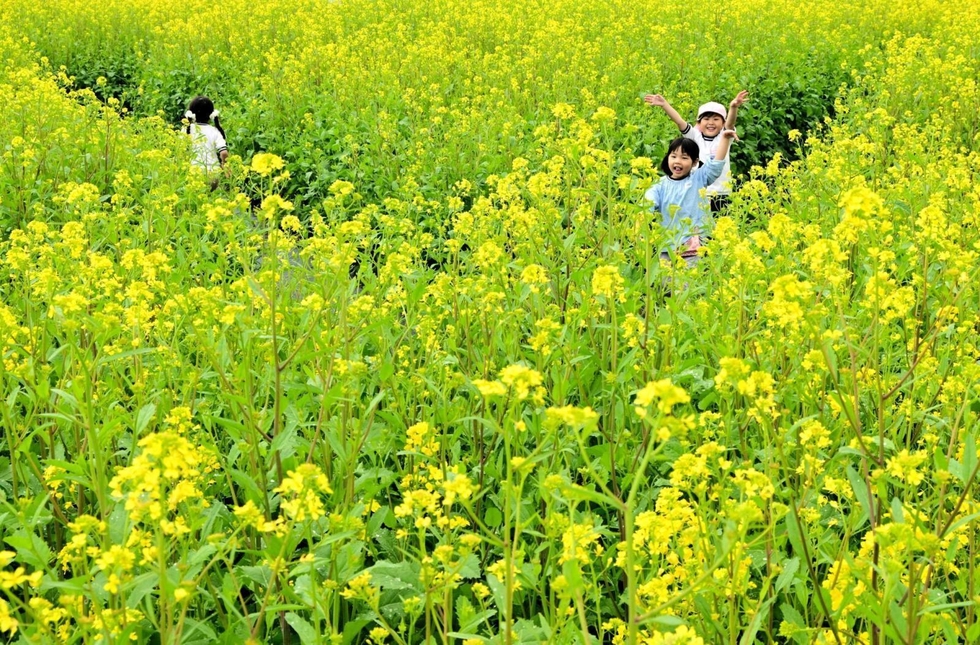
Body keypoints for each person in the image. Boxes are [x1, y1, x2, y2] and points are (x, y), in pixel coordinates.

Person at [642, 91, 748, 212]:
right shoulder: (694, 136)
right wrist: (664, 104)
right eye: (706, 119)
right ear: (699, 122)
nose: (711, 123)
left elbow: (730, 124)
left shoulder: (724, 137)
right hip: (697, 192)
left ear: (723, 122)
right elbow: (680, 122)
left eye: (716, 119)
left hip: (721, 192)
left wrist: (733, 107)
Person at [644, 129, 736, 268]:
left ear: (695, 162)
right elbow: (647, 204)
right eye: (673, 156)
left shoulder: (698, 178)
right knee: (663, 284)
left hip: (694, 244)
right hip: (667, 245)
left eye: (684, 158)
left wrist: (724, 139)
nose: (678, 161)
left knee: (687, 285)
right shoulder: (659, 184)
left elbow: (716, 164)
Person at [184, 96, 228, 174]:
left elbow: (181, 151)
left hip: (194, 172)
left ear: (191, 114)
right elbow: (224, 152)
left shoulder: (187, 129)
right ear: (211, 114)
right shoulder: (215, 131)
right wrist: (224, 164)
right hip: (213, 172)